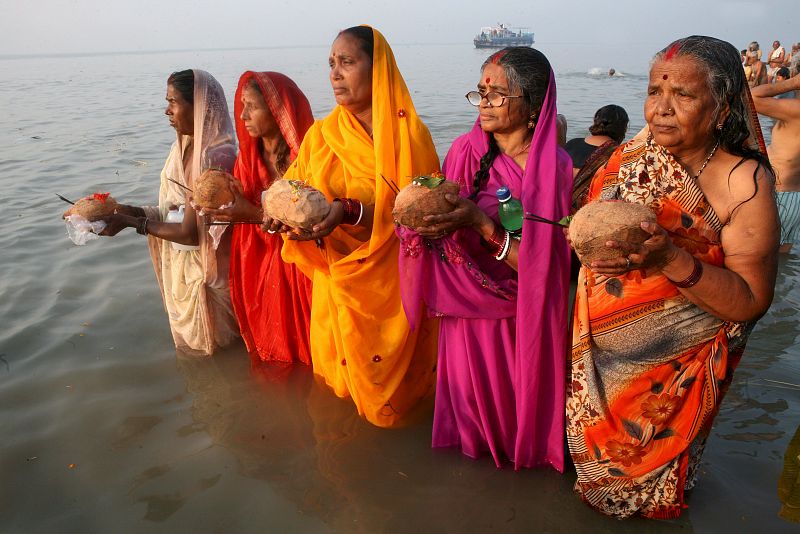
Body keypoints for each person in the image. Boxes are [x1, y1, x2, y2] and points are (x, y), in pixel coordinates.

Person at [566, 36, 779, 519]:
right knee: (592, 474)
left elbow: (750, 302)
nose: (660, 109)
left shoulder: (742, 182)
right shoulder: (631, 157)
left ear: (722, 107)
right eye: (653, 91)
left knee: (656, 486)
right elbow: (585, 229)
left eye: (683, 95)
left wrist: (669, 260)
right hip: (597, 358)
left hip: (675, 375)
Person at [397, 47, 572, 470]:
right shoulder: (463, 150)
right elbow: (440, 223)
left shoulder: (555, 169)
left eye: (497, 95)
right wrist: (416, 220)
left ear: (533, 106)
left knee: (513, 417)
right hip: (466, 311)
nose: (485, 104)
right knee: (470, 425)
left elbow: (544, 270)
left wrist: (480, 222)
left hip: (519, 318)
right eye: (480, 93)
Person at [277, 26, 441, 427]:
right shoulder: (321, 136)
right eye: (331, 64)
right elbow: (294, 189)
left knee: (401, 403)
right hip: (337, 286)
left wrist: (350, 212)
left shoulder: (410, 137)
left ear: (378, 68)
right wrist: (280, 216)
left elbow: (420, 219)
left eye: (347, 62)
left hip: (395, 288)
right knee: (338, 402)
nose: (334, 74)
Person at [101, 70, 239, 356]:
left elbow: (190, 233)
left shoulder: (215, 157)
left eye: (174, 102)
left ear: (198, 106)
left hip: (207, 279)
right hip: (185, 271)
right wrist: (125, 210)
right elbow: (170, 211)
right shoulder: (184, 148)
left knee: (217, 360)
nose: (167, 110)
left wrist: (131, 222)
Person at [201, 71, 314, 363]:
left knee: (309, 346)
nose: (242, 115)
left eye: (252, 106)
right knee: (274, 351)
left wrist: (249, 212)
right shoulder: (247, 160)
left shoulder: (307, 159)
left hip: (302, 267)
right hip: (261, 265)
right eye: (241, 105)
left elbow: (310, 218)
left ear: (278, 110)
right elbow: (238, 212)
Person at [752, 71, 800, 253]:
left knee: (755, 257)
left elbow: (751, 97)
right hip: (794, 198)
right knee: (780, 260)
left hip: (778, 195)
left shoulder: (796, 109)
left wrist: (791, 83)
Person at [564, 104, 629, 208]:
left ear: (596, 122)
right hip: (588, 212)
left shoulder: (572, 143)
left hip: (558, 207)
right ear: (623, 129)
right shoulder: (617, 155)